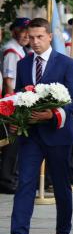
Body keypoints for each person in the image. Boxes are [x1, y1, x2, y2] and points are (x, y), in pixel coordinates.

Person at [0, 18, 73, 234]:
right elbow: (19, 96)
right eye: (31, 37)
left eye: (39, 37)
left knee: (60, 184)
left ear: (49, 37)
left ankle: (63, 232)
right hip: (32, 136)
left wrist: (53, 113)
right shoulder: (24, 64)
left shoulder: (66, 64)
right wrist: (16, 119)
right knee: (25, 182)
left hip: (58, 133)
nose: (34, 42)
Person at [0, 18, 30, 194]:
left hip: (18, 100)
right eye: (23, 31)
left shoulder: (20, 49)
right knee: (12, 143)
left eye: (28, 32)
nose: (26, 35)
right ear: (14, 32)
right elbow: (9, 82)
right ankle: (7, 179)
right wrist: (14, 107)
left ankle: (12, 176)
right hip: (13, 103)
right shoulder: (12, 51)